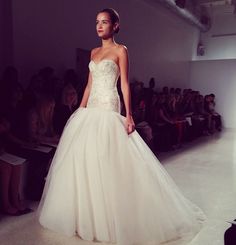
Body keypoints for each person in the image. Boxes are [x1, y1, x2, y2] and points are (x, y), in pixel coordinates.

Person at [38, 8, 205, 245]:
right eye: (97, 22)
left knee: (107, 158)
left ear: (115, 26)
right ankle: (86, 216)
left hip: (108, 106)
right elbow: (88, 85)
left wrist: (129, 114)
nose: (99, 26)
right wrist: (80, 109)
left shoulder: (121, 50)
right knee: (85, 158)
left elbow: (124, 84)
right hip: (91, 108)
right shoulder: (94, 52)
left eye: (104, 22)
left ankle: (111, 217)